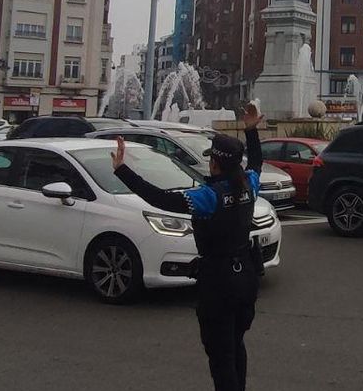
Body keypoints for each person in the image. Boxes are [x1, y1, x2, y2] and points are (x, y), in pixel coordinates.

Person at [111, 103, 266, 391]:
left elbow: (160, 199)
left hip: (219, 282)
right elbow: (256, 163)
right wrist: (252, 130)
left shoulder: (210, 196)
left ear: (215, 163)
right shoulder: (248, 186)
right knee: (236, 344)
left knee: (221, 356)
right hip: (247, 276)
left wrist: (122, 171)